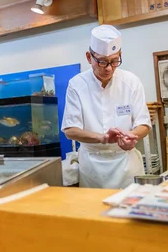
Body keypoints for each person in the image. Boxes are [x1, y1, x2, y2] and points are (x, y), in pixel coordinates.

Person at [62, 24, 151, 189]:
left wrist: (130, 136)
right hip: (92, 166)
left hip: (126, 164)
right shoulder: (77, 85)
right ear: (89, 57)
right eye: (102, 62)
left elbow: (144, 124)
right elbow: (70, 130)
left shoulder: (131, 82)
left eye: (114, 61)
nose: (109, 68)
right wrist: (103, 138)